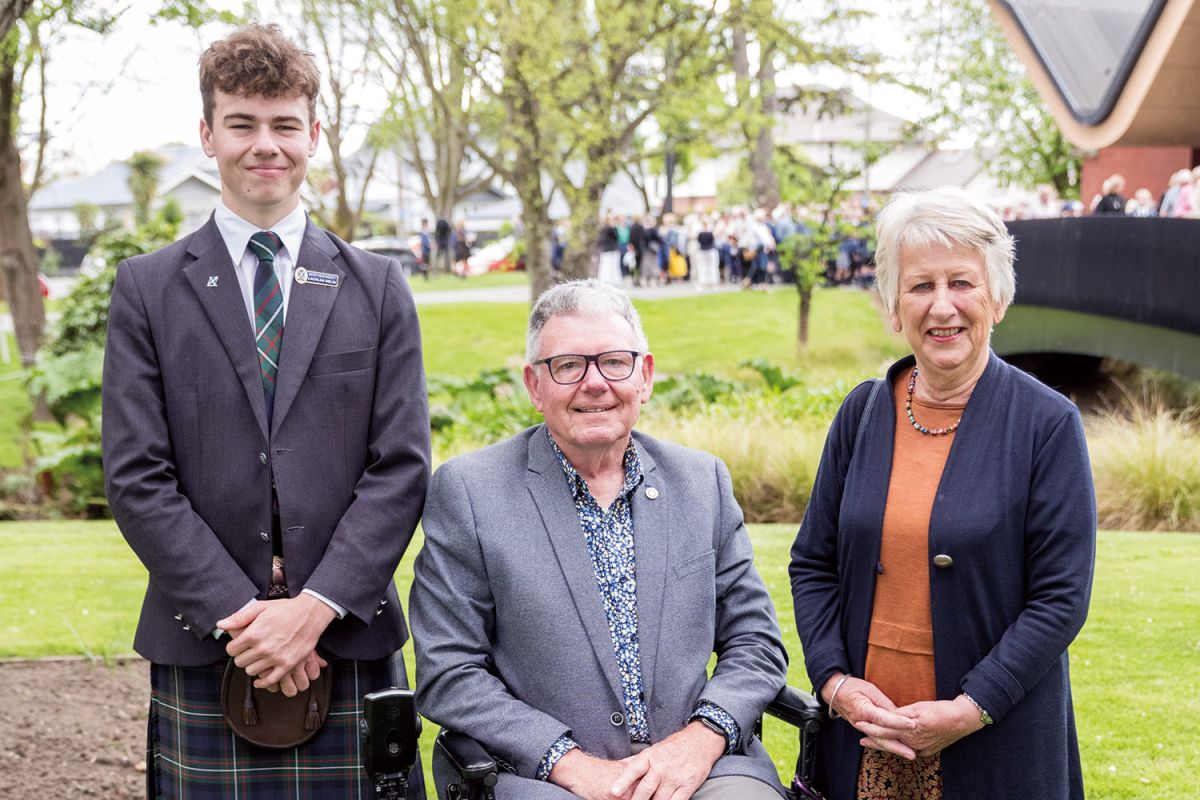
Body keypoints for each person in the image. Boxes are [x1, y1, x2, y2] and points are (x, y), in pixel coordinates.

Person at [101, 24, 431, 798]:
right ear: (207, 134)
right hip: (207, 641)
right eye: (242, 123)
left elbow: (401, 467)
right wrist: (244, 617)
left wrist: (312, 611)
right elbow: (137, 476)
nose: (265, 145)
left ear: (314, 135)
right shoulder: (147, 289)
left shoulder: (378, 286)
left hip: (345, 638)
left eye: (285, 124)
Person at [410, 279, 789, 799]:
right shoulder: (471, 492)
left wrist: (700, 742)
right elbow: (449, 671)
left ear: (645, 376)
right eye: (568, 365)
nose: (595, 383)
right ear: (534, 385)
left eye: (614, 362)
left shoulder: (702, 482)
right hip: (542, 777)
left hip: (700, 767)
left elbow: (756, 642)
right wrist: (568, 763)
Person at [790, 187, 1096, 800]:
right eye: (920, 286)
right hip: (863, 740)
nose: (942, 306)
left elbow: (1060, 599)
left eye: (962, 282)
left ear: (997, 299)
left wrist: (969, 708)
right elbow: (813, 563)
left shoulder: (1046, 424)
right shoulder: (861, 413)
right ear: (894, 307)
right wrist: (834, 683)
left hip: (994, 741)